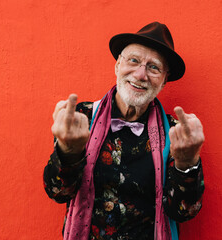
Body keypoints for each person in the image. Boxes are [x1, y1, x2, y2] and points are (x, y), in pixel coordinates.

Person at [43, 22, 205, 240]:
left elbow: (183, 212)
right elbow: (58, 192)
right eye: (134, 61)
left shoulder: (177, 133)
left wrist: (187, 163)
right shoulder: (81, 118)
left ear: (164, 81)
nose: (140, 75)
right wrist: (68, 152)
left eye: (153, 67)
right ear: (118, 65)